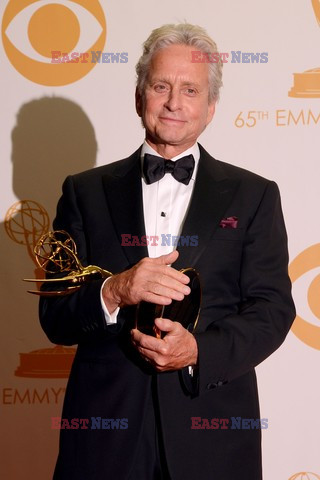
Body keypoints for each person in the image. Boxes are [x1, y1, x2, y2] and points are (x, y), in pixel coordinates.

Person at [40, 23, 295, 480]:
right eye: (161, 86)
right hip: (104, 439)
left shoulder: (253, 196)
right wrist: (114, 291)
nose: (174, 102)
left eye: (190, 90)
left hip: (213, 436)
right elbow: (54, 317)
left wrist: (199, 350)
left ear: (210, 106)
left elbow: (272, 310)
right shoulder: (84, 192)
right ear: (140, 97)